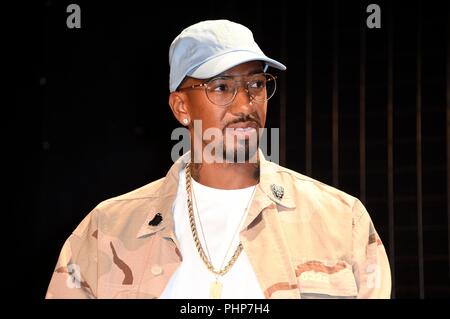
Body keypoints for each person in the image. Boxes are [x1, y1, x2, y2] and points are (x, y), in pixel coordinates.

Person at [46, 19, 391, 299]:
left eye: (256, 84)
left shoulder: (341, 220)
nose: (245, 106)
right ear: (181, 107)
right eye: (221, 87)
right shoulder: (107, 230)